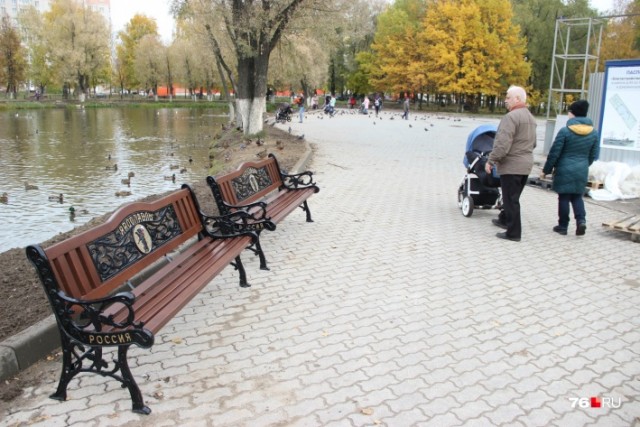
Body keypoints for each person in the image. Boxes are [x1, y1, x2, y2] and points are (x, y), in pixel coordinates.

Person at [485, 85, 537, 242]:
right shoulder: (531, 118)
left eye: (508, 97)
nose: (505, 100)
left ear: (518, 99)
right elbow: (533, 143)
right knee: (513, 197)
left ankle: (513, 233)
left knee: (510, 200)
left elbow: (502, 144)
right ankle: (503, 219)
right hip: (525, 165)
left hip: (512, 165)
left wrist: (491, 160)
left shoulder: (511, 117)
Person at [541, 100, 599, 236]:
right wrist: (584, 164)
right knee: (577, 197)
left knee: (564, 198)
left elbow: (554, 153)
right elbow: (593, 155)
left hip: (564, 168)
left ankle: (563, 226)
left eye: (569, 111)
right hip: (582, 168)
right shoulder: (594, 133)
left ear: (573, 114)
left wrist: (546, 170)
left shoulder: (565, 132)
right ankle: (581, 221)